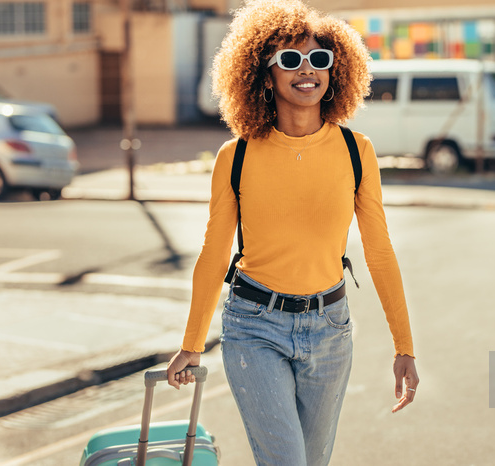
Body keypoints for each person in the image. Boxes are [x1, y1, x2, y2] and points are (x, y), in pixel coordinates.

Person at [166, 1, 419, 464]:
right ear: (265, 76)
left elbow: (379, 252)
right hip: (253, 328)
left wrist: (404, 347)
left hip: (330, 328)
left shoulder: (356, 150)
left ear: (334, 71)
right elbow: (214, 253)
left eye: (319, 59)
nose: (307, 70)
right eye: (290, 59)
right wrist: (191, 344)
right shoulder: (235, 156)